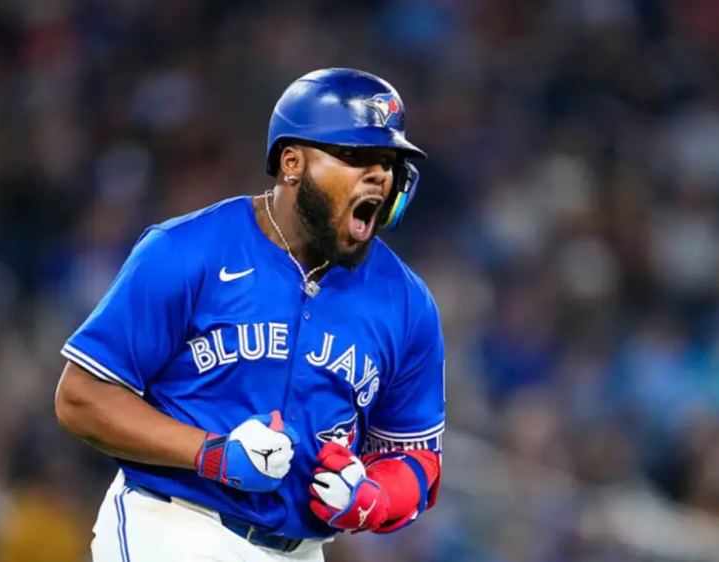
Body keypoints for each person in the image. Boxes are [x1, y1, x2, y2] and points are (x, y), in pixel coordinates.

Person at [55, 68, 446, 562]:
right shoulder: (186, 251)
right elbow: (81, 397)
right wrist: (210, 453)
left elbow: (414, 458)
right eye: (355, 156)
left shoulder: (407, 304)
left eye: (388, 162)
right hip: (175, 523)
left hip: (301, 551)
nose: (379, 175)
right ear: (292, 163)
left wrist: (373, 498)